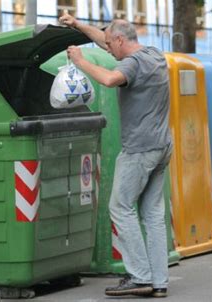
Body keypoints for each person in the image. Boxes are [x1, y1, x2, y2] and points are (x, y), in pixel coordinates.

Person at [59, 13, 172, 298]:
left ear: (121, 40)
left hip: (139, 149)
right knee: (153, 215)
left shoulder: (131, 65)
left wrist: (81, 62)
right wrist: (79, 26)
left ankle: (139, 276)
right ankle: (159, 281)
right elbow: (105, 39)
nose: (107, 48)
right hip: (161, 147)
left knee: (120, 207)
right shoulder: (154, 55)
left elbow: (110, 79)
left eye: (110, 44)